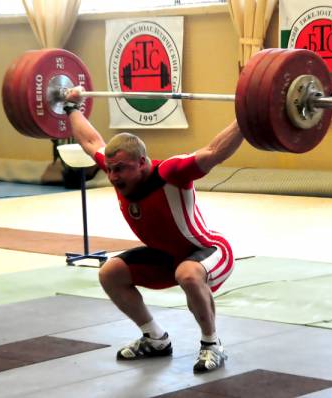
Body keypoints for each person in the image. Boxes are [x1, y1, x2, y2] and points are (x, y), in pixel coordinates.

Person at [63, 87, 243, 373]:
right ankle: (155, 338)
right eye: (109, 169)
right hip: (166, 256)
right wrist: (70, 107)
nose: (112, 176)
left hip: (208, 251)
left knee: (188, 273)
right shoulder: (116, 170)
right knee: (110, 273)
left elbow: (213, 152)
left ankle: (212, 345)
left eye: (120, 169)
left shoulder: (171, 172)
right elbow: (90, 141)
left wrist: (247, 119)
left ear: (142, 163)